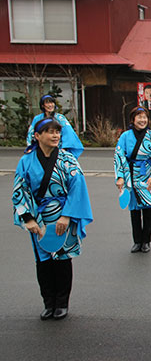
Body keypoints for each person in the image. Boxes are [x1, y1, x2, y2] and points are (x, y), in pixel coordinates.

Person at [13, 118, 93, 320]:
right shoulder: (26, 161)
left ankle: (62, 303)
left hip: (63, 216)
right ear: (37, 136)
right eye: (49, 131)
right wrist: (28, 219)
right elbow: (19, 190)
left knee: (63, 260)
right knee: (44, 261)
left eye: (57, 131)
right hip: (38, 218)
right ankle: (48, 303)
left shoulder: (67, 159)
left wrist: (67, 216)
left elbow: (77, 187)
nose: (55, 135)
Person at [114, 106, 151, 253]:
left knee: (147, 209)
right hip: (131, 175)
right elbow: (119, 156)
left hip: (148, 175)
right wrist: (120, 177)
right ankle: (137, 241)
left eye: (144, 117)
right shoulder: (125, 136)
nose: (142, 120)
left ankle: (146, 241)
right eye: (139, 117)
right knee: (134, 210)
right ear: (133, 119)